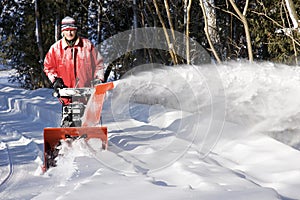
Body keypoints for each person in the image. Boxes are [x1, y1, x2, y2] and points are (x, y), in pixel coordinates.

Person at [44, 16, 105, 126]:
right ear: (63, 32)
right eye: (67, 30)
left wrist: (98, 79)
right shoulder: (56, 49)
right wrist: (55, 80)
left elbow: (99, 64)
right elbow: (48, 67)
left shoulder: (87, 45)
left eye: (72, 30)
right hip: (66, 93)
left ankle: (90, 139)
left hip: (86, 92)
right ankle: (67, 140)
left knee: (88, 123)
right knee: (69, 122)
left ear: (76, 30)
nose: (70, 33)